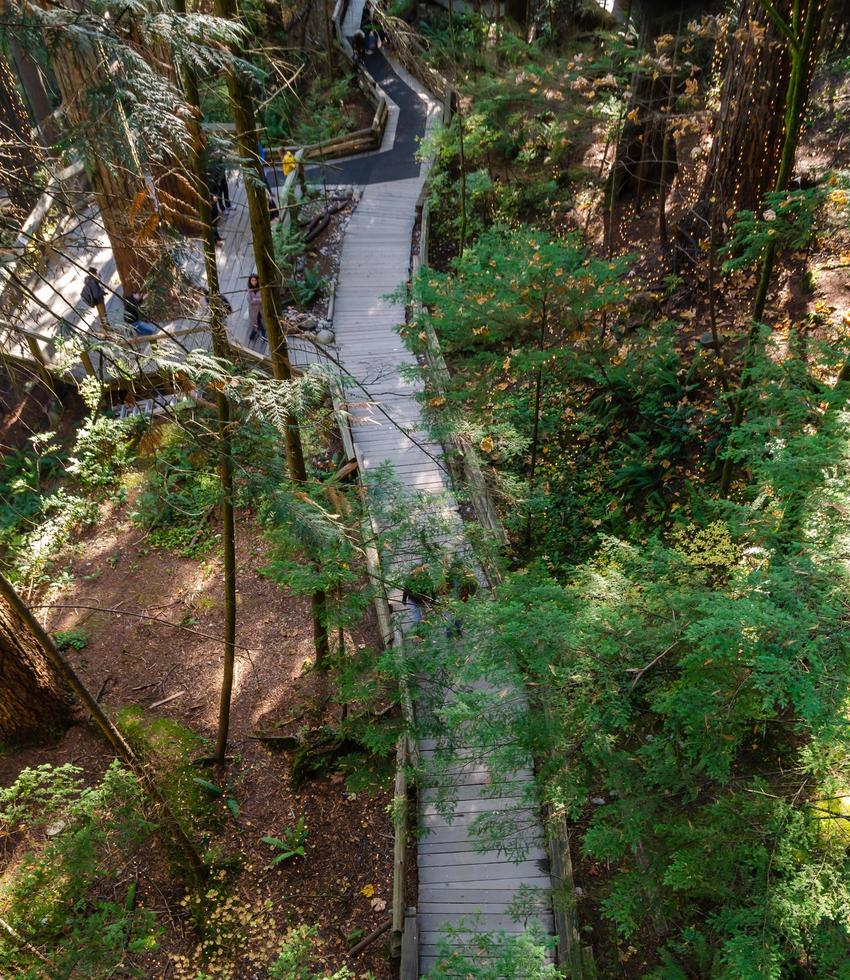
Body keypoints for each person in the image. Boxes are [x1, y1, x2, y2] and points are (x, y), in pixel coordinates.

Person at [247, 274, 266, 343]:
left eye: (255, 280)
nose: (254, 282)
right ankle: (254, 331)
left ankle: (264, 336)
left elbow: (264, 299)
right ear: (250, 281)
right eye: (252, 280)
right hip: (253, 310)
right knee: (255, 321)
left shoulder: (261, 288)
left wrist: (255, 300)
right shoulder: (249, 290)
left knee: (263, 322)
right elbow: (249, 300)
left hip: (261, 309)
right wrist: (258, 300)